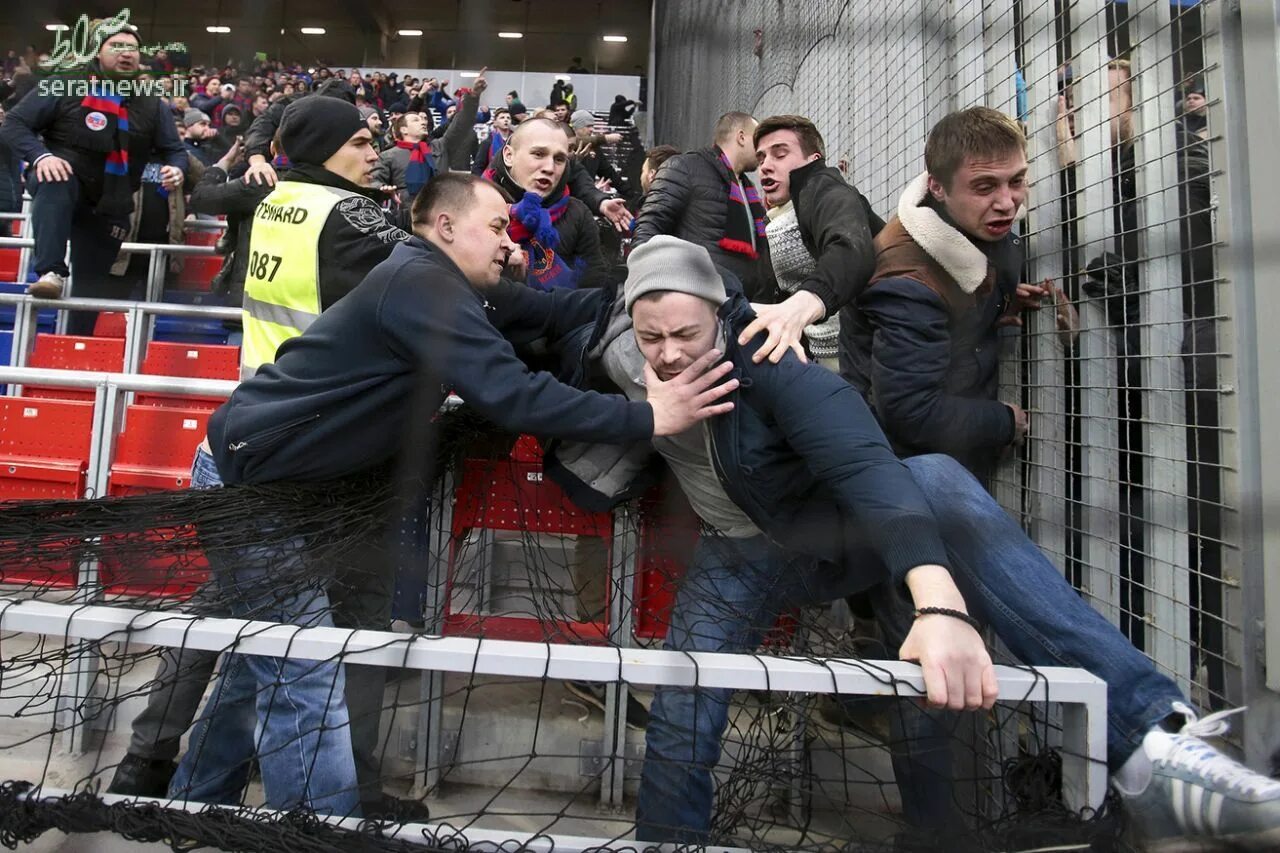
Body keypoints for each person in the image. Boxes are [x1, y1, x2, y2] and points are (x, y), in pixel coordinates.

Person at [548, 235, 1280, 850]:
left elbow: (863, 462)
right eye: (655, 338)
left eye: (688, 333)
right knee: (682, 703)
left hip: (845, 530)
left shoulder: (767, 359)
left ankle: (1153, 743)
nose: (671, 353)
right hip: (735, 551)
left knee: (931, 483)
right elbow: (533, 318)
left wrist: (938, 603)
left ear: (722, 313)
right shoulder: (616, 346)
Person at [842, 107, 1047, 481]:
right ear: (937, 186)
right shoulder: (907, 284)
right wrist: (1004, 421)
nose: (1007, 202)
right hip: (910, 471)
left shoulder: (968, 222)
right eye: (984, 187)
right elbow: (909, 413)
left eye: (1016, 181)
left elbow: (966, 277)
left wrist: (998, 299)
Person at [0, 19, 186, 330]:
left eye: (133, 49)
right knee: (57, 177)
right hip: (65, 180)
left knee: (91, 291)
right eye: (117, 46)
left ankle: (74, 346)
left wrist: (177, 168)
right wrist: (40, 156)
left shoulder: (151, 103)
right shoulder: (64, 83)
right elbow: (14, 124)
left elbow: (174, 149)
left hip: (111, 200)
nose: (126, 54)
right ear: (97, 53)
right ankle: (50, 272)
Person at [747, 114, 880, 369]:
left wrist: (808, 300)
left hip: (871, 350)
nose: (764, 165)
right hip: (825, 355)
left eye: (780, 154)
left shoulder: (825, 188)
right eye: (761, 158)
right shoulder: (776, 219)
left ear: (813, 159)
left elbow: (850, 248)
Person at [633, 112, 775, 300]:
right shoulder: (684, 167)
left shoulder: (746, 189)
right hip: (698, 304)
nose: (761, 151)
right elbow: (648, 231)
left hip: (741, 308)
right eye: (757, 140)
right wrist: (650, 296)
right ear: (741, 137)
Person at [482, 118, 607, 291]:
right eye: (539, 154)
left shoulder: (578, 214)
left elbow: (594, 290)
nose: (550, 167)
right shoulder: (475, 206)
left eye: (559, 159)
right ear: (509, 156)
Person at [373, 111, 436, 208]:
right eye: (416, 120)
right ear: (404, 130)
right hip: (404, 213)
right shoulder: (388, 155)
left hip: (435, 209)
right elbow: (374, 181)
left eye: (423, 120)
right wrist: (383, 188)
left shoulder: (436, 149)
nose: (423, 122)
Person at [471, 107, 512, 177]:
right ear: (495, 123)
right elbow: (477, 168)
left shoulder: (516, 142)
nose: (506, 120)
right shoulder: (487, 143)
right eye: (502, 118)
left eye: (508, 118)